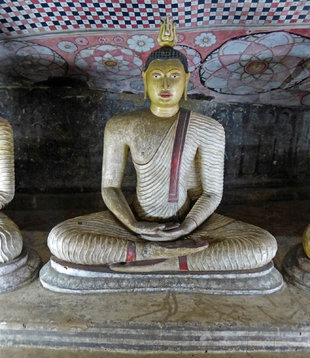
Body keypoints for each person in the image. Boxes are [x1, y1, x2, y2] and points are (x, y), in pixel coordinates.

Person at [48, 18, 277, 273]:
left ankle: (155, 259)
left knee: (263, 245)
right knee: (60, 238)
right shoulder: (121, 125)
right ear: (145, 80)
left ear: (187, 82)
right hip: (134, 221)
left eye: (174, 76)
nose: (166, 85)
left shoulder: (209, 128)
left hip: (191, 223)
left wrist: (188, 225)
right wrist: (134, 225)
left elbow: (211, 193)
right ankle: (153, 254)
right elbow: (110, 187)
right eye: (157, 76)